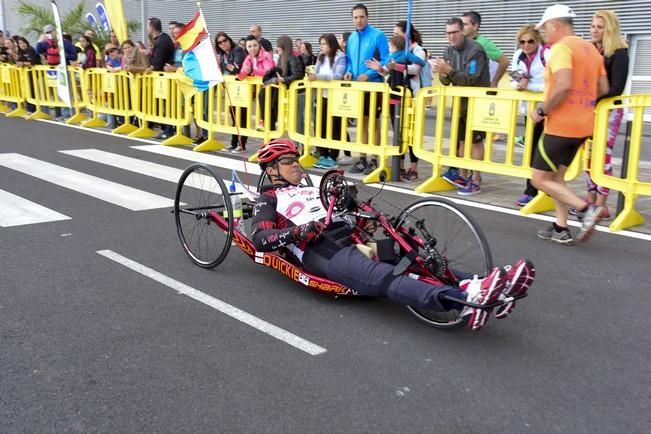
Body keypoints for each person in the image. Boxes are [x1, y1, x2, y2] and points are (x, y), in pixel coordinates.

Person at [250, 139, 536, 331]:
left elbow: (341, 208)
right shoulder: (268, 199)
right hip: (323, 251)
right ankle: (461, 301)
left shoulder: (313, 188)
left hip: (352, 236)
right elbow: (261, 240)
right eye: (288, 162)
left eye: (296, 160)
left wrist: (363, 219)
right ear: (272, 169)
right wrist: (301, 230)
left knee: (411, 254)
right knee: (384, 278)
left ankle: (482, 284)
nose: (297, 165)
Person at [530, 4, 609, 245]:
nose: (544, 34)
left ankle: (586, 210)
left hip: (560, 126)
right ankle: (560, 227)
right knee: (557, 179)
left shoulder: (561, 48)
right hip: (583, 125)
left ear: (555, 25)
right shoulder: (591, 50)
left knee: (539, 179)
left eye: (545, 29)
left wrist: (542, 110)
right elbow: (604, 88)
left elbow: (563, 84)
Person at [578, 10, 629, 220]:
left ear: (609, 29)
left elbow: (616, 87)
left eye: (599, 27)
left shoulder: (619, 53)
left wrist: (591, 94)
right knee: (589, 154)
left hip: (608, 110)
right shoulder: (589, 50)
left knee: (603, 155)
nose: (594, 30)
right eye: (592, 26)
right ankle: (590, 199)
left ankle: (601, 204)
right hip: (588, 109)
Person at [433, 17, 490, 196]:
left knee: (475, 141)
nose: (452, 36)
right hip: (459, 104)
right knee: (461, 141)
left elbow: (471, 79)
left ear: (462, 31)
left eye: (455, 32)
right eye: (448, 33)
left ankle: (476, 179)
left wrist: (448, 71)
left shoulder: (476, 50)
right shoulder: (448, 51)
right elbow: (446, 81)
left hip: (477, 102)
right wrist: (442, 72)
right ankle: (462, 175)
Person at [344, 3, 390, 175]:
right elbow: (349, 60)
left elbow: (386, 59)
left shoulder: (378, 35)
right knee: (361, 123)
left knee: (374, 123)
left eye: (362, 16)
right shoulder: (352, 38)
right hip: (357, 87)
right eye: (355, 17)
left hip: (374, 86)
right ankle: (362, 159)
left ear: (367, 17)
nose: (359, 20)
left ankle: (374, 160)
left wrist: (369, 74)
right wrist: (349, 71)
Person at [511, 25, 548, 207]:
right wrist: (518, 84)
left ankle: (542, 190)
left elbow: (552, 84)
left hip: (546, 109)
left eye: (530, 41)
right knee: (531, 150)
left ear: (538, 40)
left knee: (544, 151)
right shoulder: (518, 55)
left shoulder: (546, 54)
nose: (526, 45)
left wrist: (529, 87)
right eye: (522, 41)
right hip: (530, 111)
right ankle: (531, 190)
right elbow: (514, 79)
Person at [308, 33, 351, 169]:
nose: (322, 47)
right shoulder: (320, 57)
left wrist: (318, 77)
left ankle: (333, 156)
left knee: (334, 127)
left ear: (331, 44)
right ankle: (322, 154)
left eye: (324, 44)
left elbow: (337, 75)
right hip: (321, 95)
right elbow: (316, 71)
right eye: (320, 44)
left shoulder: (340, 56)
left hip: (335, 96)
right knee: (319, 125)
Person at [392, 20, 428, 182]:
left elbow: (415, 69)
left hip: (413, 96)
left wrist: (397, 66)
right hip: (397, 95)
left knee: (412, 133)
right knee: (399, 133)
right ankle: (398, 166)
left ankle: (413, 168)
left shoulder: (418, 50)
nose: (394, 37)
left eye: (397, 34)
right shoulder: (397, 50)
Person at [237, 35, 275, 142]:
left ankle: (263, 122)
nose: (252, 48)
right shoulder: (248, 58)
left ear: (259, 46)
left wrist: (253, 71)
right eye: (249, 46)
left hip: (272, 88)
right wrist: (245, 72)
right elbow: (241, 76)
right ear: (246, 48)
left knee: (270, 118)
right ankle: (268, 143)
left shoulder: (266, 55)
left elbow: (269, 72)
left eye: (254, 45)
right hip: (262, 90)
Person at [215, 31, 249, 152]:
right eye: (220, 42)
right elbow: (227, 68)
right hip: (231, 88)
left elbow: (238, 69)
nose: (223, 44)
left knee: (241, 116)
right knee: (234, 116)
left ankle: (241, 144)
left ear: (229, 40)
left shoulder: (238, 51)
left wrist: (230, 68)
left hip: (241, 88)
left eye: (225, 40)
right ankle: (234, 143)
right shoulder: (224, 55)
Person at [461, 11, 509, 88]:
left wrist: (494, 82)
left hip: (480, 91)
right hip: (463, 89)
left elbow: (505, 61)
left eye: (465, 24)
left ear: (475, 26)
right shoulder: (461, 43)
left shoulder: (483, 43)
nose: (461, 27)